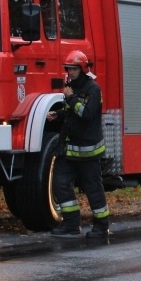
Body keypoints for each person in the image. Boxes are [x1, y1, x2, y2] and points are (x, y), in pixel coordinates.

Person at [47, 50, 110, 239]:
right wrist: (58, 114)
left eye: (74, 69)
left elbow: (86, 114)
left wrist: (71, 98)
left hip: (88, 152)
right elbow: (72, 114)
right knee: (60, 182)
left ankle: (101, 226)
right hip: (69, 150)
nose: (70, 72)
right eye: (68, 69)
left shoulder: (93, 89)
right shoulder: (71, 87)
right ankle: (71, 224)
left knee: (93, 189)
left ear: (82, 69)